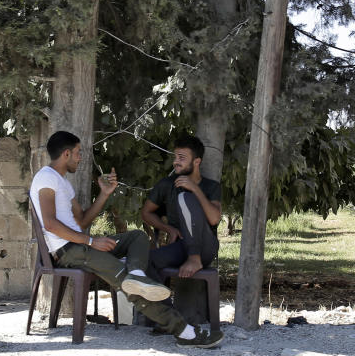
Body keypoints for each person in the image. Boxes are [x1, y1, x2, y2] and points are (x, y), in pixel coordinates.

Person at [29, 130, 223, 348]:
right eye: (77, 153)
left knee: (137, 237)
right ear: (66, 154)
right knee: (126, 283)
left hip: (80, 244)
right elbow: (50, 223)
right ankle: (185, 332)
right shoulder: (46, 177)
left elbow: (82, 220)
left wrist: (104, 194)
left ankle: (137, 274)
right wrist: (91, 241)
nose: (80, 157)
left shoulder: (63, 182)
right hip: (70, 251)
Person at [142, 134, 221, 279]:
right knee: (145, 261)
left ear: (197, 162)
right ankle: (161, 302)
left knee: (185, 197)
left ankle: (194, 258)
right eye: (175, 157)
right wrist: (168, 229)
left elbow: (214, 219)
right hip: (180, 246)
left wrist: (195, 189)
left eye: (182, 158)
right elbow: (146, 213)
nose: (176, 162)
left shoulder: (211, 186)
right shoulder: (166, 184)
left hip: (206, 246)